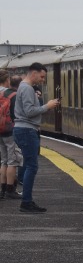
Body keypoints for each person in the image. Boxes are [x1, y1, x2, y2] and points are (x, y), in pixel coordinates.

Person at [12, 62, 60, 213]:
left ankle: (27, 201)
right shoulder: (26, 88)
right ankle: (26, 202)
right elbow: (29, 111)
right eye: (42, 76)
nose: (43, 80)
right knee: (31, 166)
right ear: (34, 73)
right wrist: (48, 106)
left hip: (24, 129)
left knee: (29, 165)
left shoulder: (24, 87)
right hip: (26, 130)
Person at [0, 70, 21, 199]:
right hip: (10, 130)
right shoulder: (11, 94)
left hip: (0, 131)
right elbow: (15, 114)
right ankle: (10, 190)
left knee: (3, 160)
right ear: (7, 80)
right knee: (13, 160)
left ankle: (2, 189)